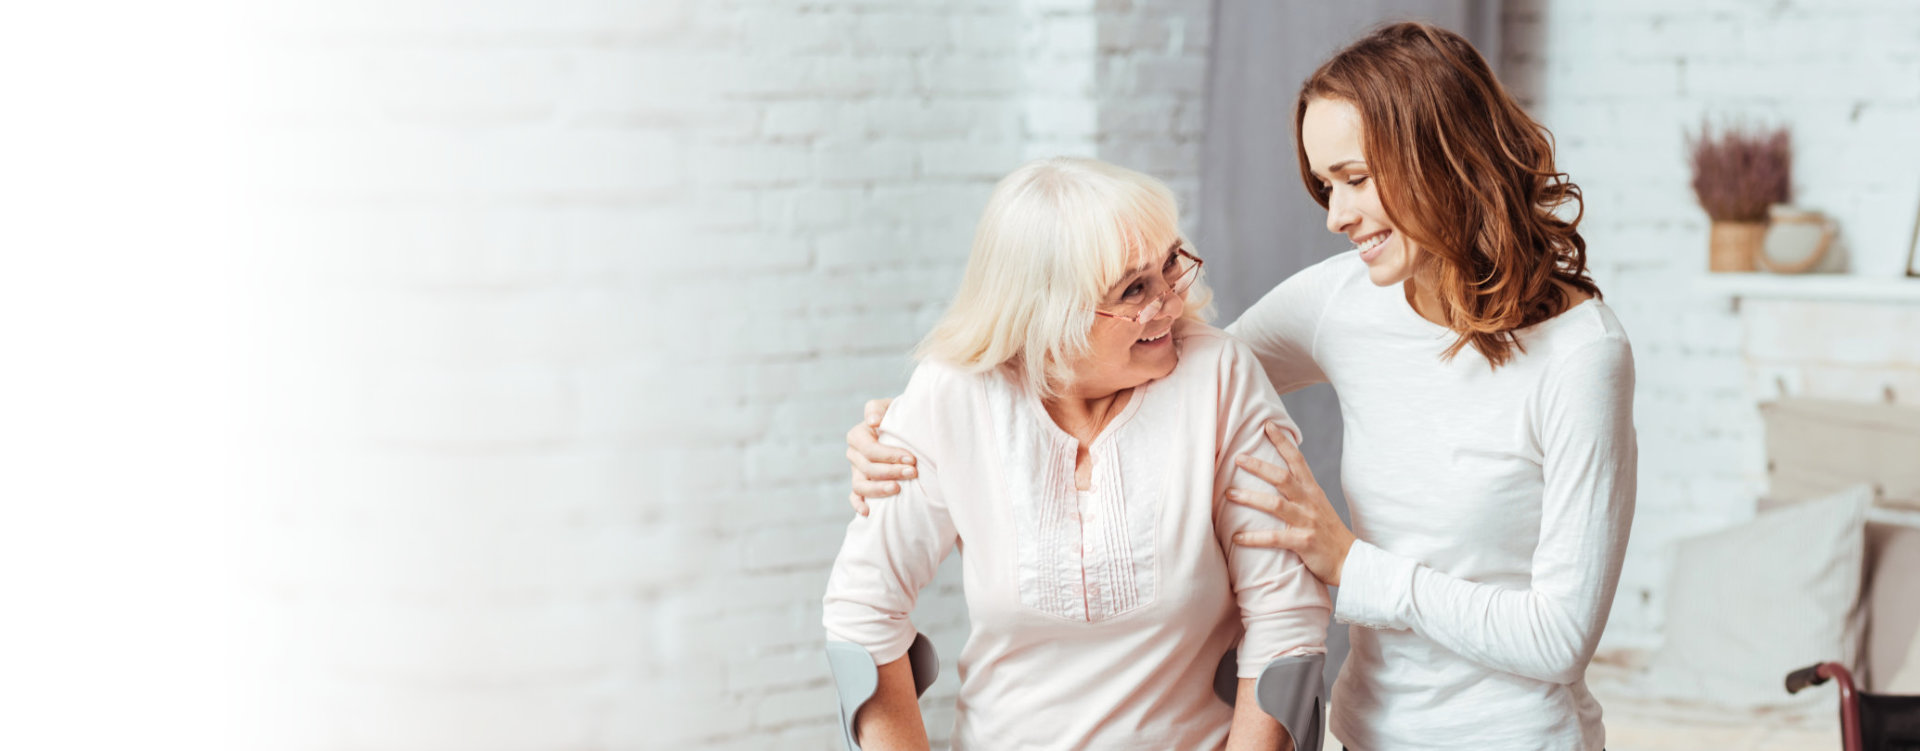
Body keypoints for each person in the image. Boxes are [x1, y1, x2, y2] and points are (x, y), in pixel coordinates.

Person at [844, 22, 1636, 751]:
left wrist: (1347, 562)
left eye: (1355, 178)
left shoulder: (1580, 358)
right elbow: (1184, 365)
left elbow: (1558, 638)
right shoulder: (1343, 301)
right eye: (1326, 184)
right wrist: (916, 425)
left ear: (1440, 155)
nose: (1335, 215)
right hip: (1368, 730)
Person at [822, 156, 1330, 751]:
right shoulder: (952, 395)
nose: (1168, 302)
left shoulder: (1218, 377)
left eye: (1170, 266)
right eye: (1133, 289)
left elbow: (1285, 621)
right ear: (1047, 314)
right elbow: (862, 613)